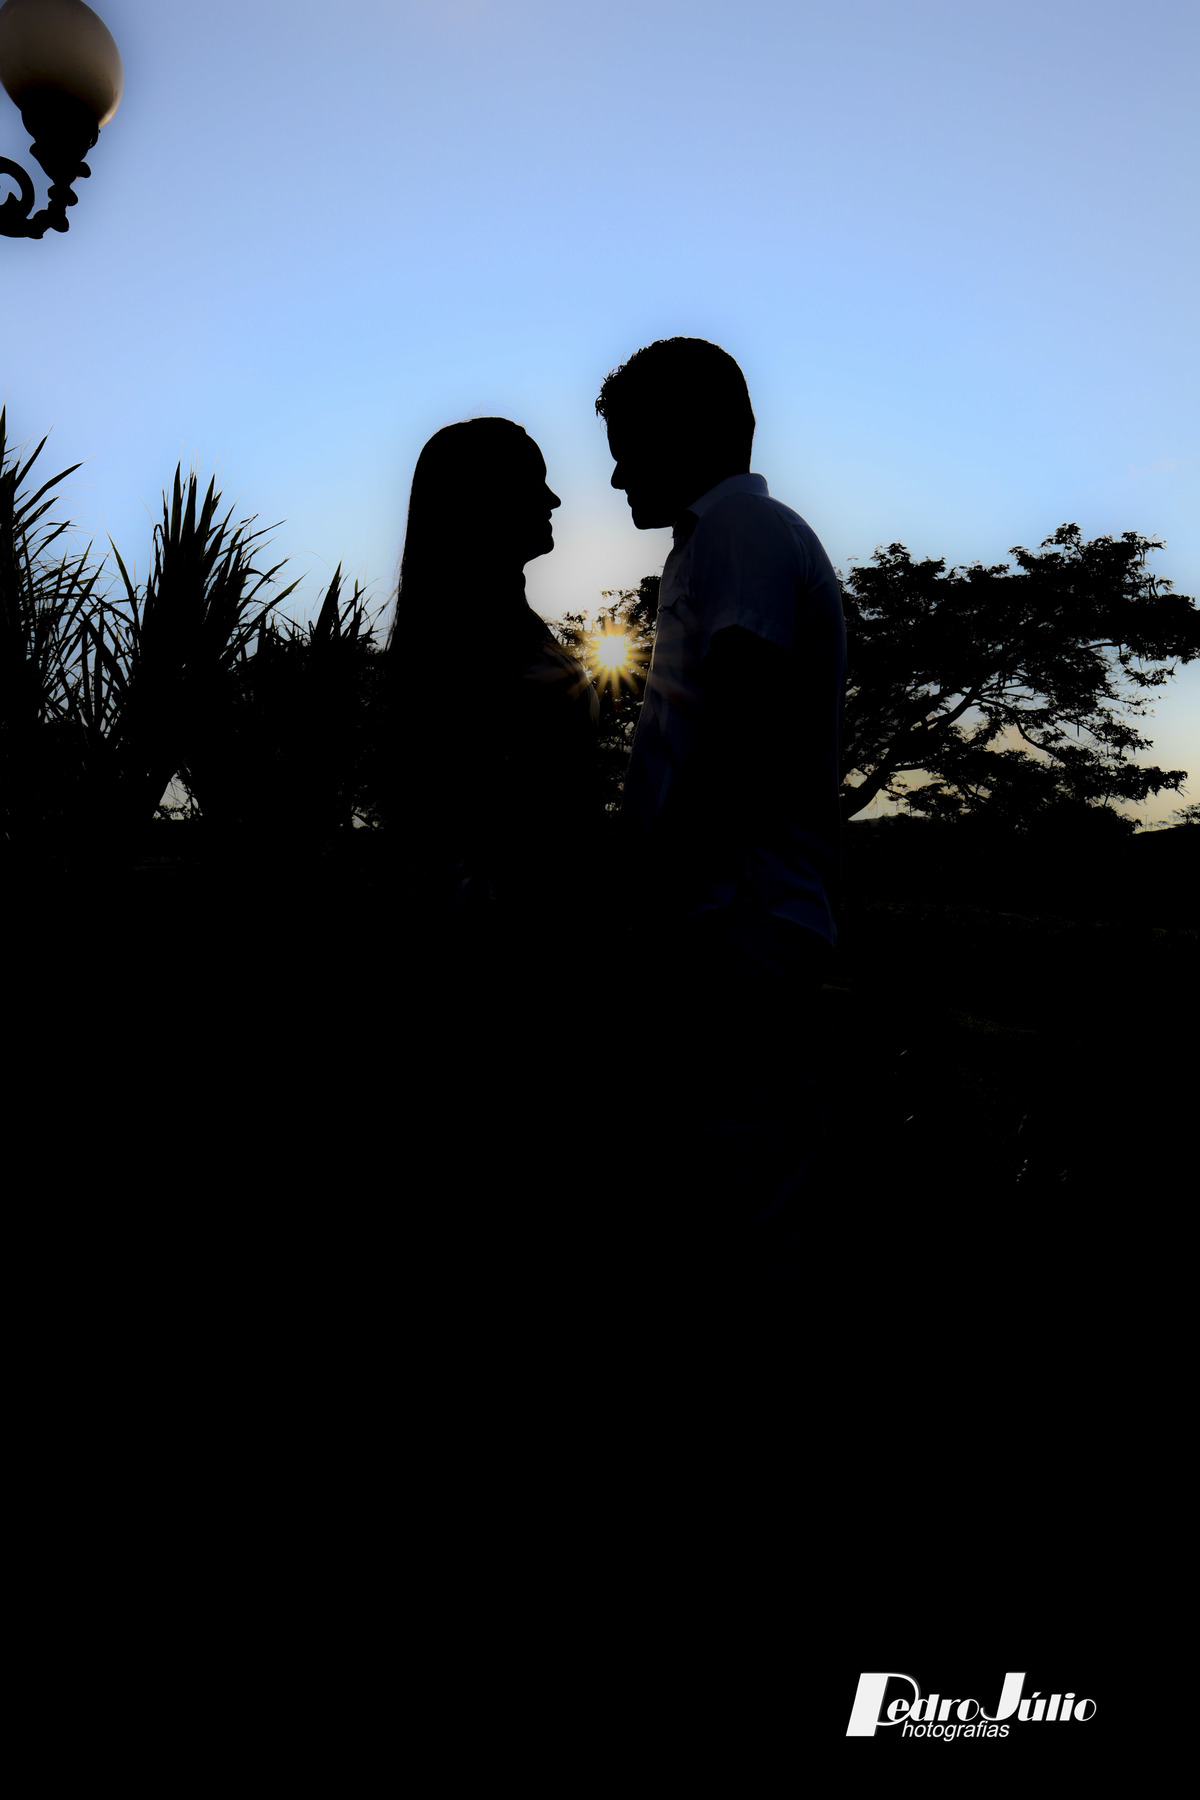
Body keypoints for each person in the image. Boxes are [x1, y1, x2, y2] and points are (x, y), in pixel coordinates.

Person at [596, 337, 846, 1287]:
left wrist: (645, 894)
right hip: (726, 920)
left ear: (690, 434)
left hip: (731, 920)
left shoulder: (741, 532)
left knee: (741, 1202)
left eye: (629, 448)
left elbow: (739, 729)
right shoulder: (723, 541)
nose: (616, 475)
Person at [381, 417, 601, 929]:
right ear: (486, 500)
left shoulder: (489, 637)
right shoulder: (481, 656)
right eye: (534, 483)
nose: (553, 500)